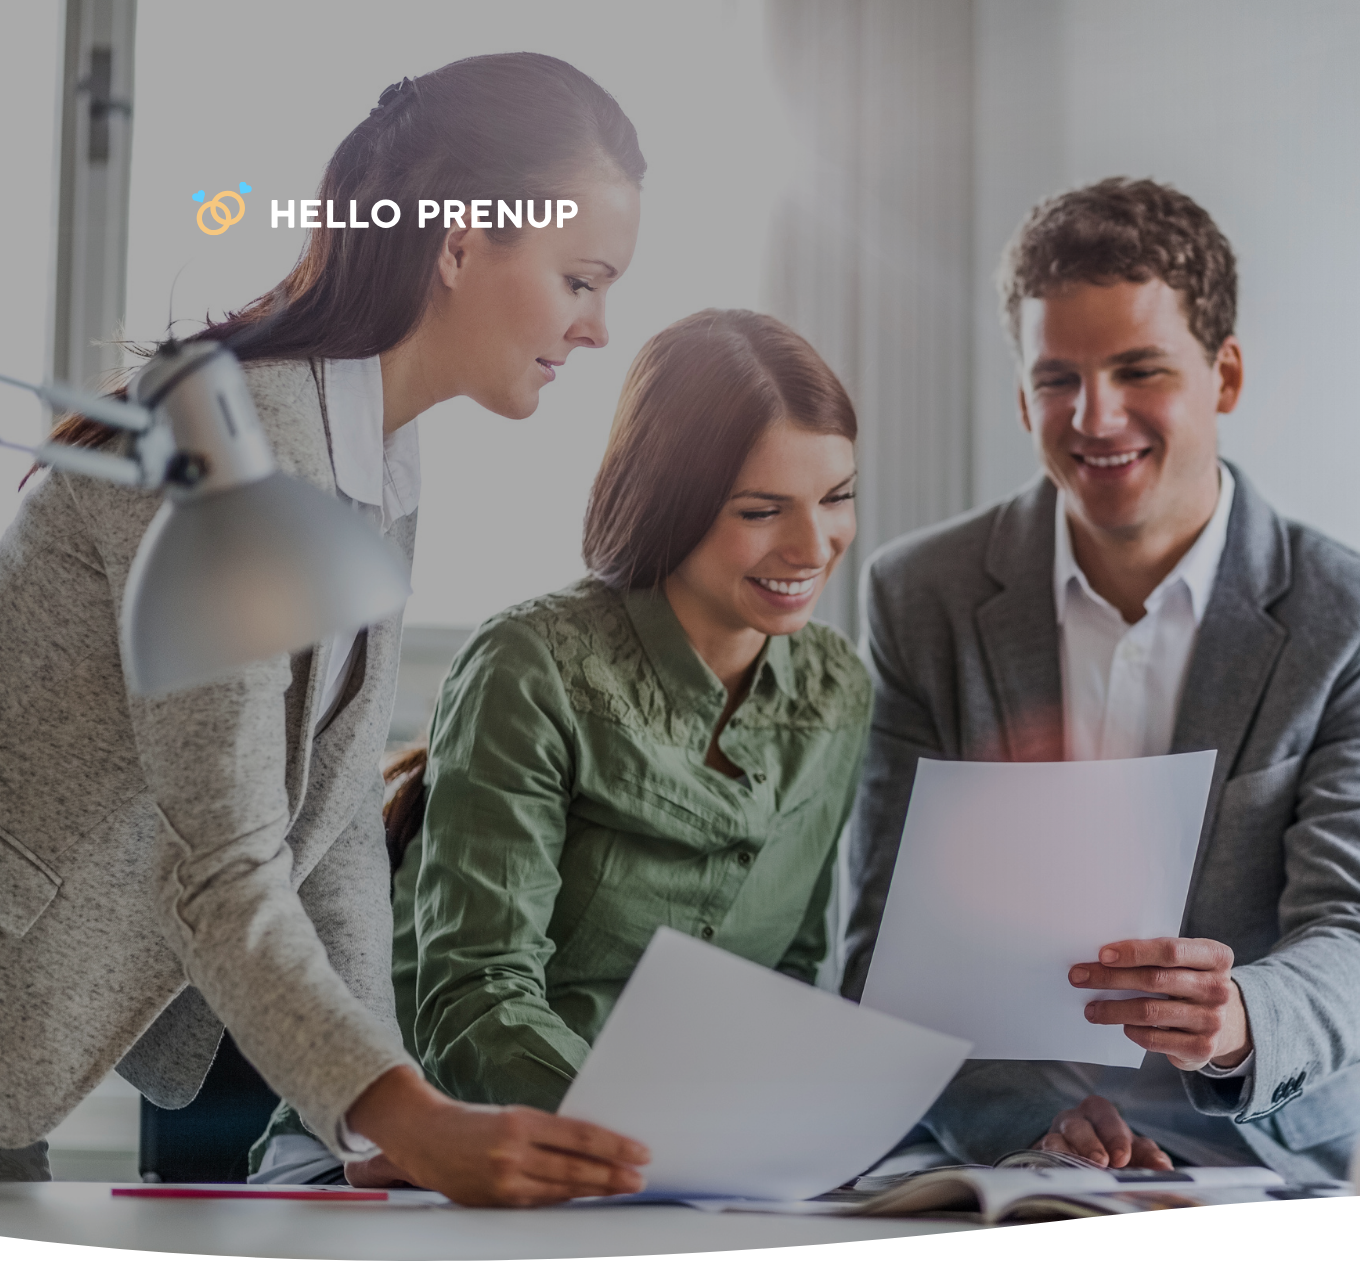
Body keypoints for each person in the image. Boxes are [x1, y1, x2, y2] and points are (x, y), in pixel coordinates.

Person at [0, 54, 651, 1205]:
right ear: (459, 244)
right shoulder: (238, 443)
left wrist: (368, 1114)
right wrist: (400, 1104)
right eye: (581, 278)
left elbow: (336, 810)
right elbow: (222, 865)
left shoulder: (373, 453)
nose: (598, 327)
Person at [842, 178, 1360, 1181]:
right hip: (1001, 1147)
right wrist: (1023, 1120)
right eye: (1057, 377)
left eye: (1138, 369)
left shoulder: (1359, 619)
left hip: (1265, 1150)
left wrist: (1239, 1017)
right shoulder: (920, 595)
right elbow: (884, 948)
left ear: (1226, 375)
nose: (1095, 415)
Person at [361, 310, 867, 1157]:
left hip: (692, 1173)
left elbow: (786, 982)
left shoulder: (838, 690)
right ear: (671, 502)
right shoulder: (533, 664)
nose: (814, 545)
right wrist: (662, 1141)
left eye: (838, 497)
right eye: (761, 510)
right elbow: (476, 1003)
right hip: (441, 1153)